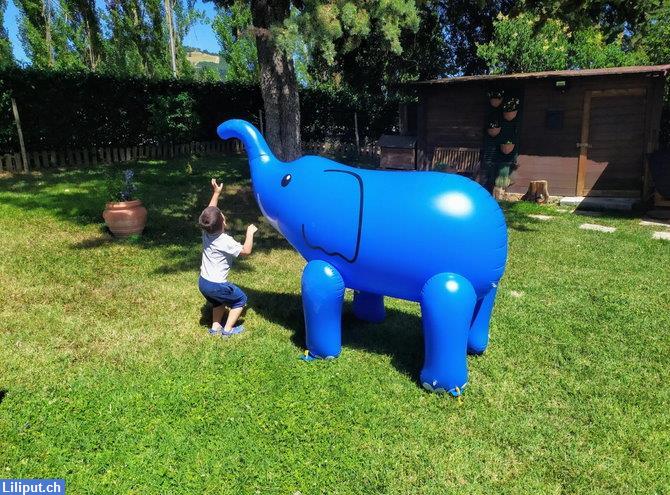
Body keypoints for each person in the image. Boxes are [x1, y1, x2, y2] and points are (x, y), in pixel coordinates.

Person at [198, 178, 257, 336]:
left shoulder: (206, 232)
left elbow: (210, 210)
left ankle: (215, 328)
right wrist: (249, 233)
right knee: (240, 300)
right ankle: (228, 330)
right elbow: (246, 251)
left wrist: (216, 193)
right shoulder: (225, 241)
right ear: (223, 223)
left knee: (218, 301)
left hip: (203, 282)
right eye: (222, 215)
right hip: (217, 285)